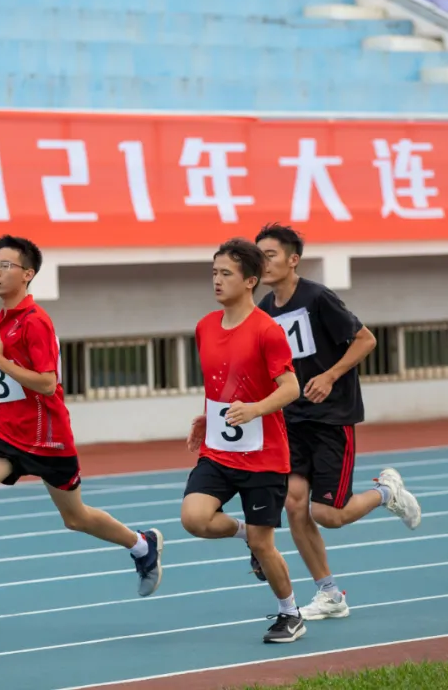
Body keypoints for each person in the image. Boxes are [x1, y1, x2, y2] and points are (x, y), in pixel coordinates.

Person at [0, 235, 163, 628]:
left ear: (27, 274)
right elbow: (15, 372)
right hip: (4, 432)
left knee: (76, 518)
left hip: (47, 435)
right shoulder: (3, 318)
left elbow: (47, 383)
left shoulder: (36, 322)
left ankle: (141, 544)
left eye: (5, 266)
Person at [253, 223, 421, 622]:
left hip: (331, 418)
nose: (263, 262)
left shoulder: (317, 298)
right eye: (259, 255)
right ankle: (329, 594)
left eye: (271, 254)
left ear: (293, 260)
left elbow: (366, 340)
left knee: (329, 515)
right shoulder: (264, 311)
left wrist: (329, 376)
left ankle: (386, 494)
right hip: (292, 419)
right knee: (294, 505)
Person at [183, 238, 306, 644]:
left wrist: (254, 409)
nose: (216, 281)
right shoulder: (204, 327)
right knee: (194, 518)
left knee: (265, 542)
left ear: (250, 280)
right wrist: (208, 416)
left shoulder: (268, 331)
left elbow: (290, 387)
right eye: (213, 273)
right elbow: (222, 383)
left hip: (264, 456)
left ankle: (291, 613)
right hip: (219, 449)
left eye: (226, 274)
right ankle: (246, 536)